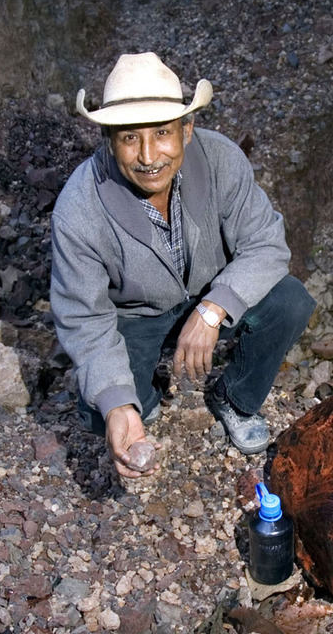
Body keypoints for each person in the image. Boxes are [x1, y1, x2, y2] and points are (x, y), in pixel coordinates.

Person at [50, 52, 315, 479]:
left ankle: (235, 398)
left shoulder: (220, 160)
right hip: (134, 317)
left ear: (187, 130)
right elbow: (83, 316)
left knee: (290, 301)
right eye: (130, 138)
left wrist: (214, 309)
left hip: (211, 293)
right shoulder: (78, 208)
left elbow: (267, 245)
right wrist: (120, 403)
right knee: (104, 413)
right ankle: (146, 399)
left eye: (162, 133)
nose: (149, 155)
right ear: (109, 139)